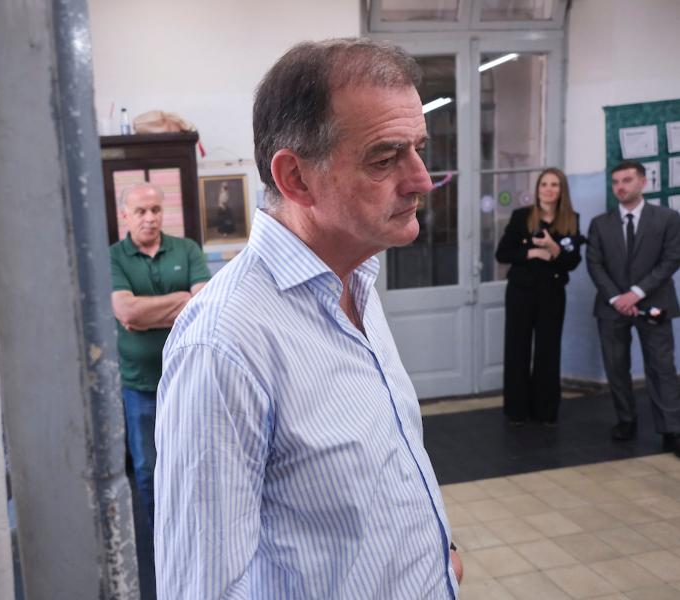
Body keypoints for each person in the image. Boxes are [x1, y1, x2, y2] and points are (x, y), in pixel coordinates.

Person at [154, 39, 462, 599]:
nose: (421, 179)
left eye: (419, 149)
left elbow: (372, 471)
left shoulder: (357, 281)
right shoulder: (225, 343)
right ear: (296, 178)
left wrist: (434, 553)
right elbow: (205, 588)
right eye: (386, 157)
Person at [109, 182, 211, 530]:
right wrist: (179, 301)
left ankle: (194, 532)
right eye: (141, 211)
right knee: (148, 470)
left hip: (188, 379)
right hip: (140, 387)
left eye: (155, 210)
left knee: (195, 463)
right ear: (126, 215)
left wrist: (146, 312)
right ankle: (160, 537)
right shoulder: (114, 257)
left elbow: (203, 305)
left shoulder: (186, 249)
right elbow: (127, 312)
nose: (150, 218)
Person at [587, 160, 680, 456]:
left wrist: (636, 293)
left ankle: (671, 429)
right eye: (615, 182)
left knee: (662, 367)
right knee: (616, 367)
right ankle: (626, 420)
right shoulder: (600, 223)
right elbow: (595, 264)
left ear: (643, 182)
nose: (620, 187)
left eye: (627, 180)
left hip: (654, 304)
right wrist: (617, 298)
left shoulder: (667, 218)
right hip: (611, 307)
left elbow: (671, 259)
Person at [495, 168, 582, 425]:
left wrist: (553, 248)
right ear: (537, 188)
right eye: (544, 184)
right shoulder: (522, 216)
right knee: (517, 349)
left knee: (548, 350)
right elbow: (503, 254)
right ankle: (517, 411)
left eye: (555, 184)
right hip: (521, 292)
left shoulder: (571, 220)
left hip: (552, 293)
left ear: (561, 190)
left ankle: (545, 411)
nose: (548, 189)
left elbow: (572, 261)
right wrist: (533, 253)